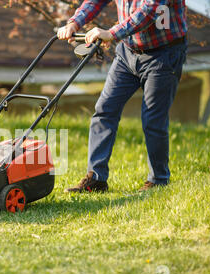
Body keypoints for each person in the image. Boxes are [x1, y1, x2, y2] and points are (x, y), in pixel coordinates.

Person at [57, 0, 187, 193]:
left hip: (164, 54)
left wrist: (111, 33)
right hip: (127, 54)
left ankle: (158, 180)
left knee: (153, 120)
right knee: (104, 110)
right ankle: (96, 179)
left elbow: (149, 10)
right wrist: (75, 22)